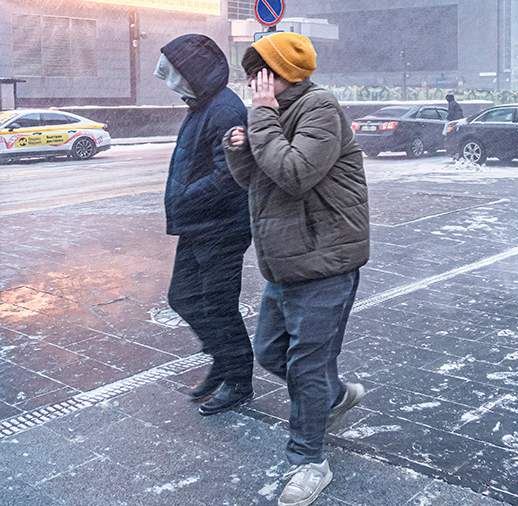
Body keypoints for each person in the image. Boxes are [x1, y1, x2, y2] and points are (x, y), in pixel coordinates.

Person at [223, 33, 370, 506]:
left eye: (261, 71)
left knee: (306, 366)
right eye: (251, 71)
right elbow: (257, 180)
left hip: (325, 260)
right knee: (270, 353)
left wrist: (261, 118)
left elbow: (294, 174)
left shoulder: (320, 109)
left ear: (285, 74)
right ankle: (332, 398)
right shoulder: (276, 115)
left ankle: (309, 460)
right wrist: (239, 149)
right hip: (285, 262)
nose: (253, 81)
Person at [155, 34, 254, 416]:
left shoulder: (225, 110)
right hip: (199, 225)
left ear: (194, 72)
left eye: (176, 72)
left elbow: (228, 175)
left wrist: (185, 197)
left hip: (223, 227)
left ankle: (238, 381)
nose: (172, 82)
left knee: (219, 305)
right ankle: (222, 360)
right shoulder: (201, 106)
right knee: (182, 297)